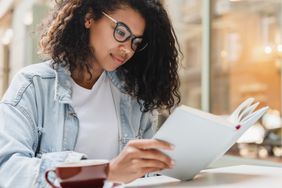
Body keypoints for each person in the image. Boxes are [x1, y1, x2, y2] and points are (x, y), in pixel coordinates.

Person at [0, 0, 181, 187]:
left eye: (135, 42)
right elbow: (7, 170)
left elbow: (147, 176)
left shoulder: (133, 96)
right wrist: (105, 173)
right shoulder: (33, 85)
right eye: (121, 32)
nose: (127, 49)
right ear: (89, 18)